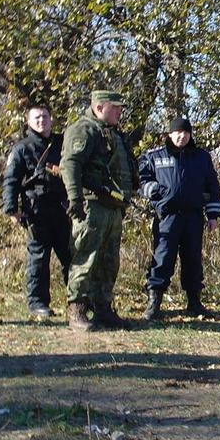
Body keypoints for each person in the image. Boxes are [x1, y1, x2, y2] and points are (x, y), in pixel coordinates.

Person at [60, 90, 138, 331]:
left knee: (109, 260)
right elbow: (71, 164)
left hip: (114, 207)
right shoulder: (84, 130)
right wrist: (74, 198)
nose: (119, 111)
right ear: (99, 107)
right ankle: (77, 310)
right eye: (115, 107)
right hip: (92, 205)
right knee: (86, 257)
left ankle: (103, 308)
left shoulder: (113, 133)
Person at [138, 116, 220, 320]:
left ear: (190, 134)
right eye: (177, 132)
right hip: (167, 216)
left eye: (186, 132)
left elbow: (212, 186)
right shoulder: (155, 156)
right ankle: (154, 304)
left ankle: (194, 303)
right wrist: (155, 191)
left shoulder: (201, 157)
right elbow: (141, 180)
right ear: (169, 133)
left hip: (193, 217)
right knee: (162, 258)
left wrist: (213, 215)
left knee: (193, 259)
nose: (182, 136)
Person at [2, 104, 71, 318]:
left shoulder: (63, 143)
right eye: (37, 118)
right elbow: (11, 180)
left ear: (51, 119)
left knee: (71, 256)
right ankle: (37, 302)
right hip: (36, 211)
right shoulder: (22, 148)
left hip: (62, 209)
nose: (41, 121)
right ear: (28, 122)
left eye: (45, 117)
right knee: (38, 259)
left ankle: (78, 300)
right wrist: (12, 209)